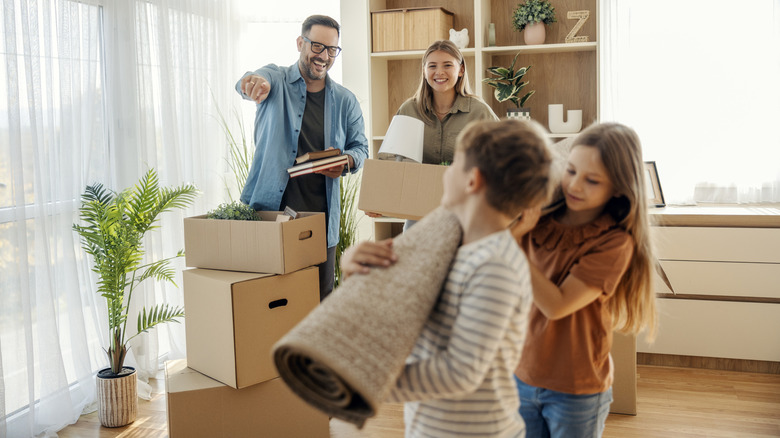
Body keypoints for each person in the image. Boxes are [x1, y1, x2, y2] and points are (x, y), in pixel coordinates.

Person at [344, 119, 553, 437]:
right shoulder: (450, 246)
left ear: (472, 180)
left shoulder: (495, 266)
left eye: (452, 164)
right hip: (429, 425)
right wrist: (354, 269)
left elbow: (460, 372)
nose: (444, 173)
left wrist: (369, 382)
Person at [511, 122, 659, 438]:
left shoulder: (614, 242)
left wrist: (511, 242)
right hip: (521, 375)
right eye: (571, 171)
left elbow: (557, 305)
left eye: (592, 180)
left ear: (618, 188)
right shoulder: (535, 220)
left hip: (576, 389)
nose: (575, 186)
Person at [236, 14, 368, 301]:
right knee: (268, 304)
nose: (324, 56)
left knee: (318, 305)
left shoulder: (346, 100)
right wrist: (253, 84)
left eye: (332, 49)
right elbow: (251, 81)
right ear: (300, 43)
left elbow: (361, 148)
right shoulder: (276, 80)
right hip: (270, 216)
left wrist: (346, 162)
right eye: (317, 46)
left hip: (320, 223)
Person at [366, 40, 498, 229]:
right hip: (419, 215)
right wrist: (378, 200)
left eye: (447, 65)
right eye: (432, 66)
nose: (439, 72)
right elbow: (389, 160)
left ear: (460, 70)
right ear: (424, 70)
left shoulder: (479, 111)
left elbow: (501, 158)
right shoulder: (409, 109)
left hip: (465, 213)